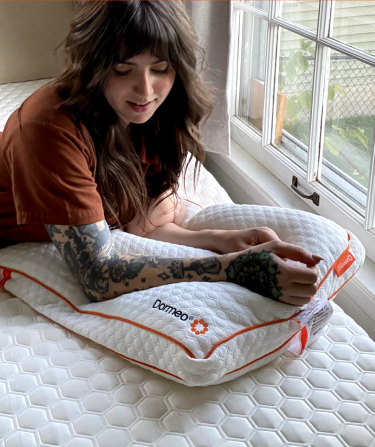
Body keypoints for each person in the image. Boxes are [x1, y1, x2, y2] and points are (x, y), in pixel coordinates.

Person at [0, 0, 322, 305]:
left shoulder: (155, 117)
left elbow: (145, 225)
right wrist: (233, 267)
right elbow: (99, 277)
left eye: (160, 68)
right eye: (123, 70)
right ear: (92, 66)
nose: (146, 90)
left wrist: (222, 240)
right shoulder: (49, 128)